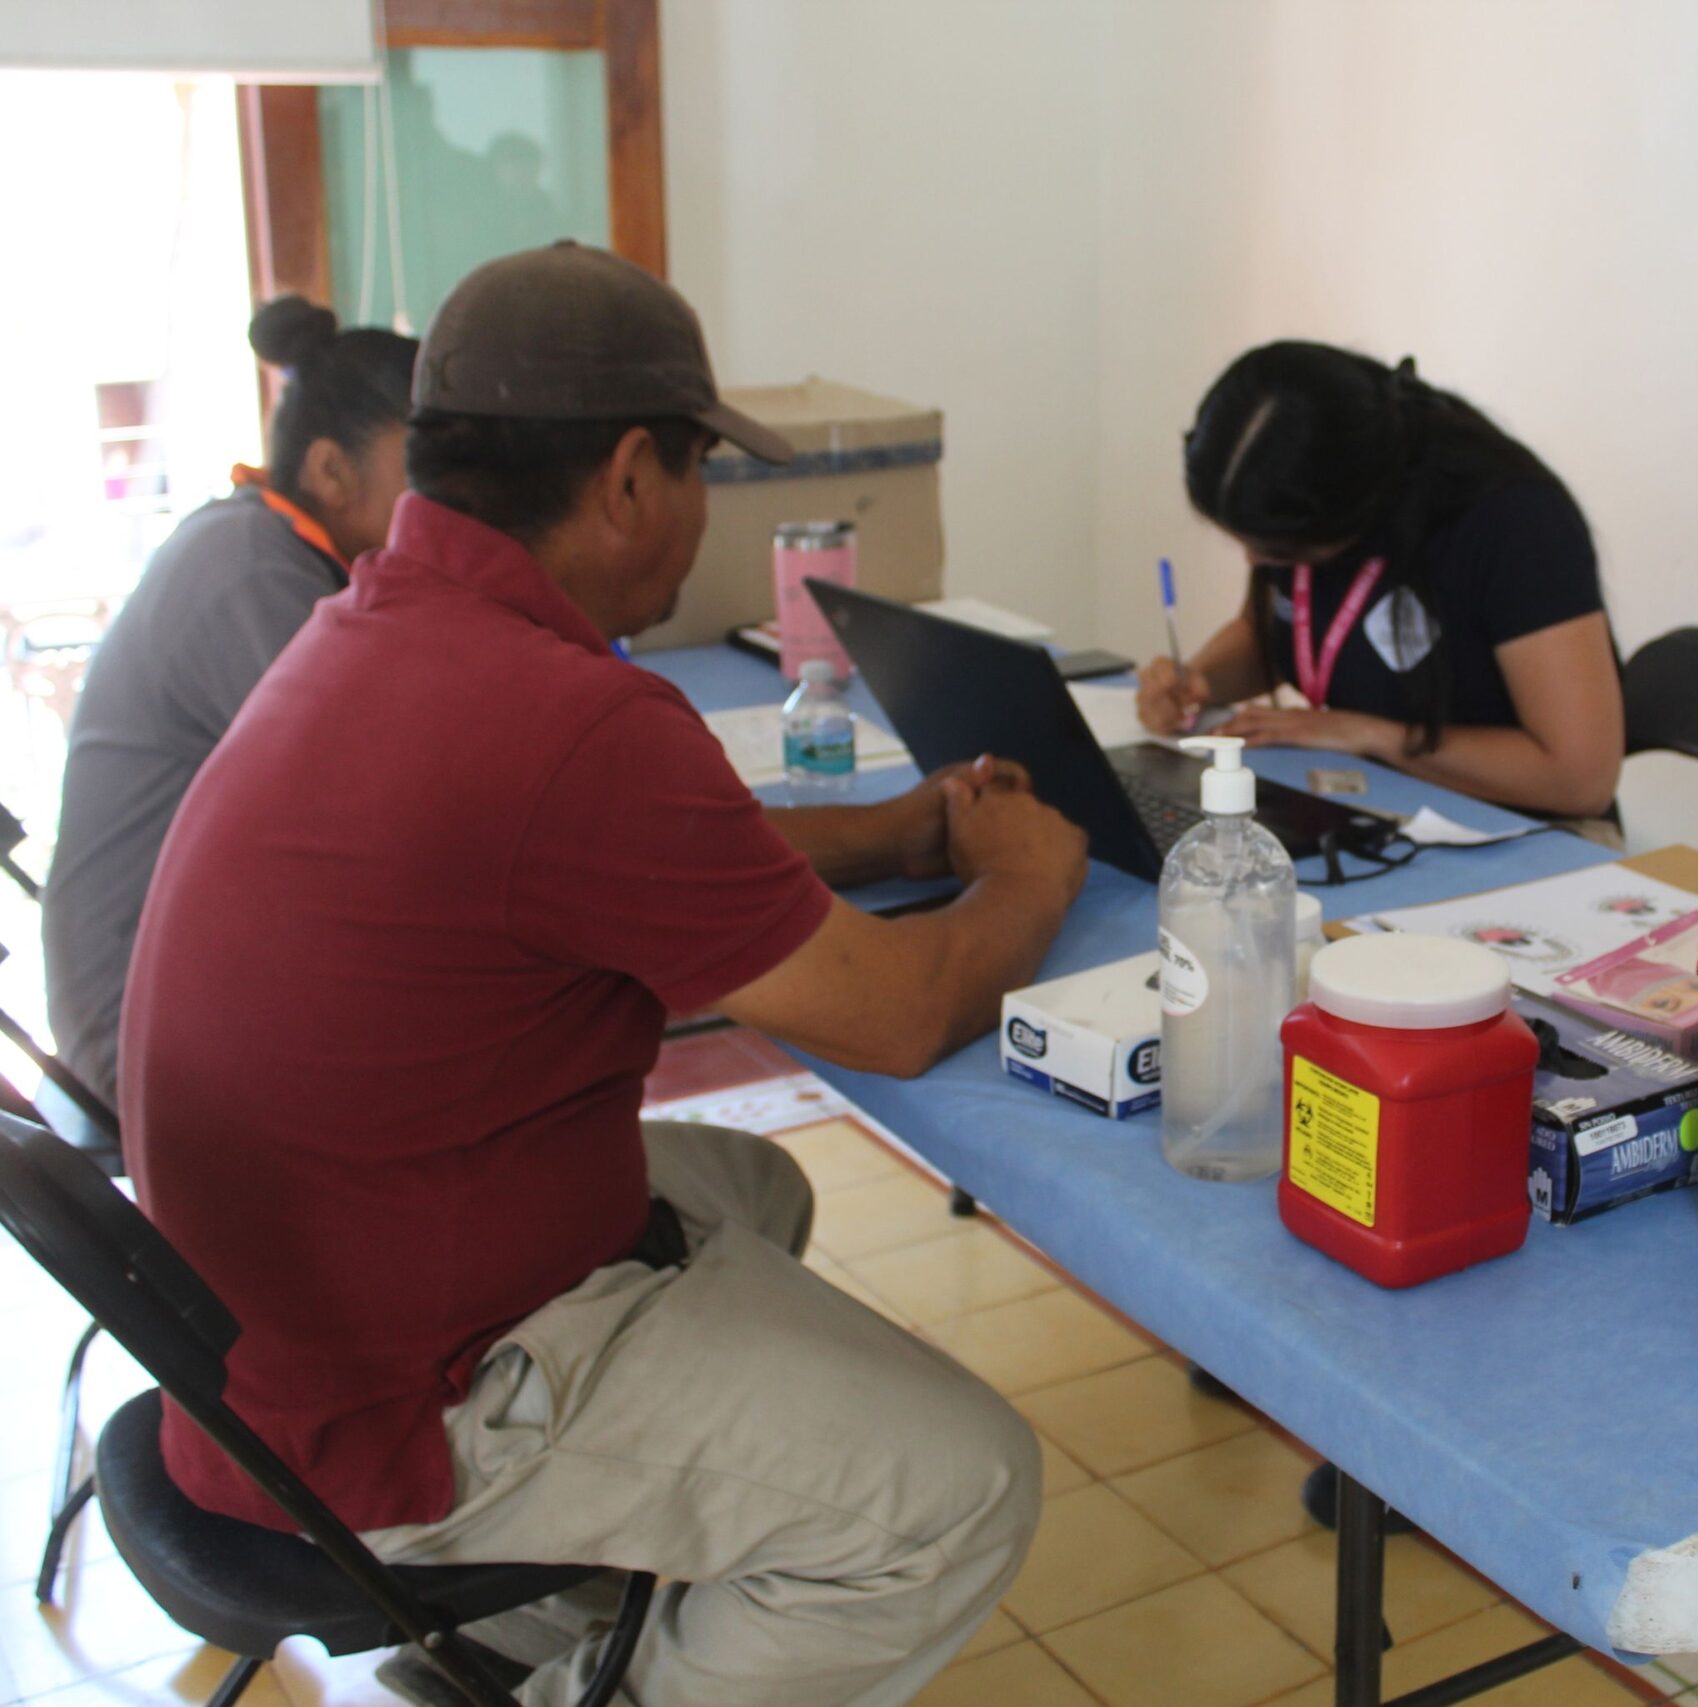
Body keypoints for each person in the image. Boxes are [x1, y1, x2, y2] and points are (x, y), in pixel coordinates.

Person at [120, 242, 1088, 1707]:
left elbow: (632, 849)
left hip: (265, 1335)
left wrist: (897, 828)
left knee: (757, 1189)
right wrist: (1031, 874)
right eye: (702, 472)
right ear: (632, 475)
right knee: (962, 1486)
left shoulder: (372, 630)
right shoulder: (569, 715)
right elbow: (895, 1013)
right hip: (393, 1411)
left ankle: (519, 1627)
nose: (704, 517)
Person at [43, 297, 416, 1107]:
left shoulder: (269, 547)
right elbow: (370, 809)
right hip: (145, 1031)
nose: (449, 505)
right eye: (423, 474)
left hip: (186, 991)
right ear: (329, 469)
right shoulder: (253, 573)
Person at [1138, 341, 1624, 822]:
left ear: (1356, 509)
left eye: (1278, 550)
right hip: (1376, 804)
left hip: (1526, 835)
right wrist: (1199, 680)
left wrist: (1370, 735)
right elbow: (1274, 633)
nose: (1254, 560)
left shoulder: (1518, 524)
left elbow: (1580, 780)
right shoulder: (1308, 507)